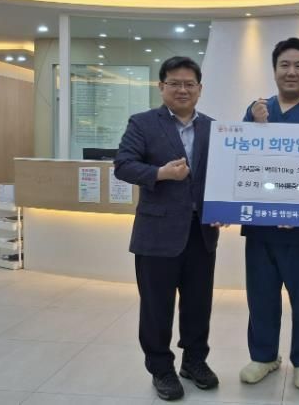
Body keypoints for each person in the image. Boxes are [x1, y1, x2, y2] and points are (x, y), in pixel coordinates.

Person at [114, 56, 219, 402]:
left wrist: (224, 208)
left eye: (189, 84)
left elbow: (225, 176)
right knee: (156, 306)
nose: (182, 90)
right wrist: (161, 173)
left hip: (201, 232)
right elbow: (123, 165)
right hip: (156, 233)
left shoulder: (214, 128)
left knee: (198, 303)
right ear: (161, 87)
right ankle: (161, 368)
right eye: (174, 83)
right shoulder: (143, 123)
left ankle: (194, 361)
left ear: (200, 89)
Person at [239, 37, 299, 389]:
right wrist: (255, 125)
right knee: (261, 296)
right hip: (261, 227)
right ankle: (264, 356)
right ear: (274, 70)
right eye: (284, 65)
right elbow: (242, 161)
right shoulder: (256, 110)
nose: (291, 71)